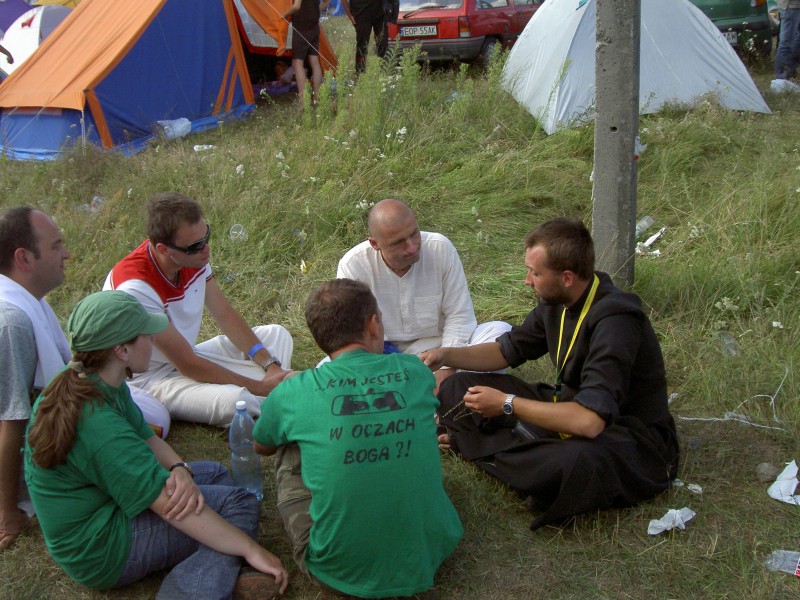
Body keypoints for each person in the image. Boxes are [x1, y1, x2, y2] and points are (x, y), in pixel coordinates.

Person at [24, 290, 288, 599]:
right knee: (237, 504)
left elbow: (146, 436)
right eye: (146, 335)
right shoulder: (98, 426)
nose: (153, 340)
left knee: (214, 474)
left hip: (107, 502)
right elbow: (170, 509)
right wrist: (252, 549)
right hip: (101, 546)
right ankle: (192, 591)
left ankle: (216, 562)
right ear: (122, 350)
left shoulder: (95, 377)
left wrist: (178, 468)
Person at [421, 217, 679, 530]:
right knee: (459, 385)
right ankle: (515, 452)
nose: (528, 281)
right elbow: (506, 349)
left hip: (624, 437)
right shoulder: (556, 302)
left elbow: (589, 421)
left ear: (567, 277)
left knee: (571, 463)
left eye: (535, 273)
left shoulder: (616, 319)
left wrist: (507, 404)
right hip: (565, 408)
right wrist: (445, 356)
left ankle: (479, 445)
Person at [253, 279, 463, 597]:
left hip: (336, 572)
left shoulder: (292, 391)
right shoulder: (415, 371)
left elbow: (262, 446)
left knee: (288, 442)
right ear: (373, 324)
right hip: (431, 548)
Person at [0, 207, 169, 552]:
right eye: (56, 246)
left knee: (150, 413)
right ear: (24, 258)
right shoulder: (11, 321)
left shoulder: (26, 300)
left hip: (70, 416)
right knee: (151, 417)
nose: (67, 254)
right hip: (53, 449)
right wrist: (7, 512)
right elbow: (10, 419)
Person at [103, 192, 294, 426]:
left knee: (276, 334)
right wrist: (260, 386)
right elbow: (187, 363)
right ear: (164, 249)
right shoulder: (136, 288)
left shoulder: (191, 257)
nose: (206, 249)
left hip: (188, 355)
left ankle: (276, 386)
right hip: (151, 378)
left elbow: (224, 314)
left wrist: (269, 365)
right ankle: (278, 397)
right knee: (236, 401)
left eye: (207, 236)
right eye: (196, 245)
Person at [337, 198, 511, 389]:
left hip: (442, 350)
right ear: (375, 244)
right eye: (398, 243)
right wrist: (384, 370)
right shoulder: (353, 265)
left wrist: (446, 368)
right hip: (383, 359)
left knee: (500, 333)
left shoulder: (440, 248)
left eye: (414, 233)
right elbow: (354, 334)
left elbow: (459, 316)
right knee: (330, 367)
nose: (412, 247)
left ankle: (435, 392)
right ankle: (450, 394)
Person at [282, 0, 329, 103]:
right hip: (314, 25)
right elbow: (326, 2)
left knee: (297, 63)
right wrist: (316, 10)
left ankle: (303, 101)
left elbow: (296, 6)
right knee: (314, 62)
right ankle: (316, 98)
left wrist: (283, 15)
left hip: (301, 27)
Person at [339, 0, 395, 75]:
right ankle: (360, 73)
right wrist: (349, 15)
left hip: (380, 13)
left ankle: (384, 72)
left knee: (383, 44)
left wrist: (392, 13)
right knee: (362, 46)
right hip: (360, 14)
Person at [775, 0, 800, 81]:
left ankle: (790, 71)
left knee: (794, 40)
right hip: (790, 6)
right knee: (787, 42)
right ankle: (782, 77)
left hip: (793, 6)